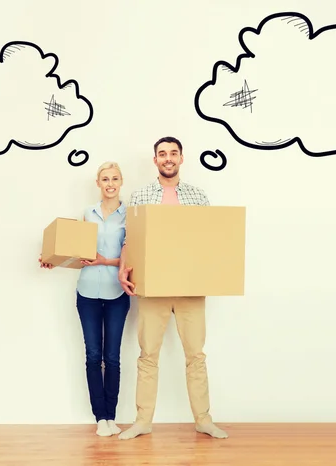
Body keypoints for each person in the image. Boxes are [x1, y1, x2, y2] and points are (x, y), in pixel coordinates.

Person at [116, 136, 228, 440]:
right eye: (162, 154)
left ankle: (203, 419)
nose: (168, 158)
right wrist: (123, 269)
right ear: (155, 160)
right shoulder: (140, 196)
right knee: (147, 354)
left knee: (196, 355)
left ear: (181, 158)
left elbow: (209, 240)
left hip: (190, 286)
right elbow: (130, 240)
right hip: (153, 287)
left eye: (173, 153)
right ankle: (142, 421)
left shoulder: (198, 196)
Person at [39, 161, 130, 437]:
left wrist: (106, 261)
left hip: (117, 293)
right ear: (98, 183)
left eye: (115, 178)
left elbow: (132, 255)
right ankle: (100, 417)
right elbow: (76, 250)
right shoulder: (87, 214)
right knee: (93, 355)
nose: (110, 183)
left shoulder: (131, 216)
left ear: (121, 181)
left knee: (112, 357)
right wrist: (53, 260)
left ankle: (111, 416)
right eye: (105, 179)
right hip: (87, 293)